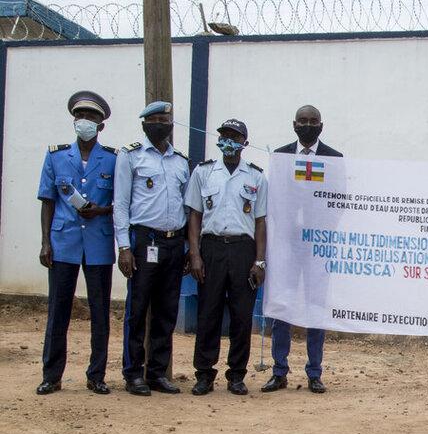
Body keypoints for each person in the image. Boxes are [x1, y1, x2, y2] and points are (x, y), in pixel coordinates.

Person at [35, 91, 117, 395]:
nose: (85, 121)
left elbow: (121, 202)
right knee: (58, 310)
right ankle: (51, 375)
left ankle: (96, 375)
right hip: (63, 242)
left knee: (100, 312)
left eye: (91, 117)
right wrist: (45, 242)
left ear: (101, 125)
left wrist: (101, 210)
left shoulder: (112, 158)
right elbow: (47, 200)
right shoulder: (56, 156)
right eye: (80, 116)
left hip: (98, 244)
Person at [262, 105, 342, 394]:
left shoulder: (334, 158)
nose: (308, 125)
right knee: (282, 305)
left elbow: (339, 201)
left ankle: (314, 372)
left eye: (313, 121)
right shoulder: (281, 156)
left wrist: (320, 230)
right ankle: (279, 371)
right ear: (294, 125)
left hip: (317, 247)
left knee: (315, 307)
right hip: (287, 245)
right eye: (303, 121)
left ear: (321, 125)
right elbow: (274, 198)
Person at [113, 101, 191, 396]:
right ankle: (133, 373)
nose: (161, 124)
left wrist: (187, 246)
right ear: (145, 124)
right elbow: (120, 205)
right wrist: (124, 246)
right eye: (155, 119)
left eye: (165, 120)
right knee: (137, 309)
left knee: (166, 310)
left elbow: (186, 207)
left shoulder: (180, 161)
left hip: (174, 242)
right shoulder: (131, 156)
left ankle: (157, 373)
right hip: (144, 241)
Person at [185, 119, 269, 396]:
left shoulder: (256, 177)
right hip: (211, 248)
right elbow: (195, 215)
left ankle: (236, 375)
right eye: (225, 136)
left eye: (235, 137)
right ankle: (204, 374)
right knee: (208, 312)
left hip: (243, 249)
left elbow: (260, 221)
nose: (229, 141)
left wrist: (259, 261)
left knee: (241, 316)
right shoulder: (204, 172)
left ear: (245, 142)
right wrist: (195, 254)